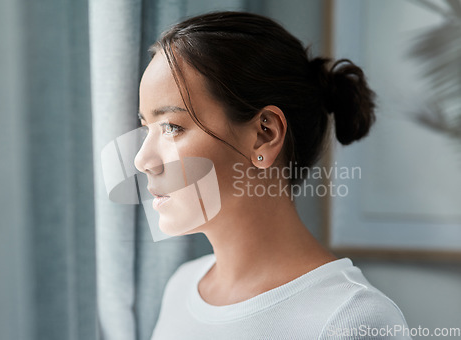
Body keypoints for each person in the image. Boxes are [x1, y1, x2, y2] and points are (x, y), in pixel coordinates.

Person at [135, 11, 411, 340]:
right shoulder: (181, 288)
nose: (142, 160)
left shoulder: (352, 321)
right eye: (146, 128)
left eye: (171, 127)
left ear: (264, 135)